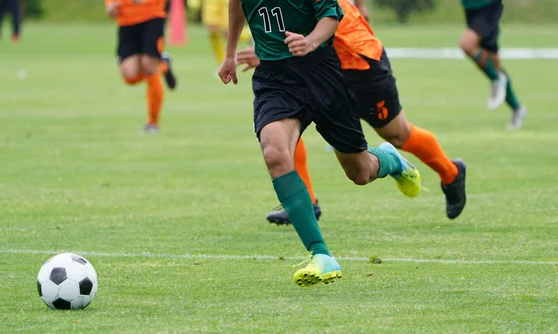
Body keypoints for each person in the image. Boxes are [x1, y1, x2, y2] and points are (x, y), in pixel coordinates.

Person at [218, 0, 422, 287]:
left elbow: (331, 14)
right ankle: (321, 255)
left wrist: (310, 41)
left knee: (360, 172)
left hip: (322, 74)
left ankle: (390, 159)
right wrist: (229, 54)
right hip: (275, 80)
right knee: (275, 153)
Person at [237, 0, 467, 224]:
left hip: (358, 61)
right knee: (284, 122)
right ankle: (305, 200)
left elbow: (323, 22)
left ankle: (451, 173)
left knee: (396, 134)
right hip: (315, 68)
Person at [105, 0, 177, 132]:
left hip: (152, 16)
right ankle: (163, 65)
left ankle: (153, 123)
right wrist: (110, 6)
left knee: (149, 66)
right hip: (126, 21)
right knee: (129, 75)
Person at [460, 0, 526, 129]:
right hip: (471, 7)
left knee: (467, 45)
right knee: (491, 61)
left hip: (488, 6)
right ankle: (517, 109)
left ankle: (497, 79)